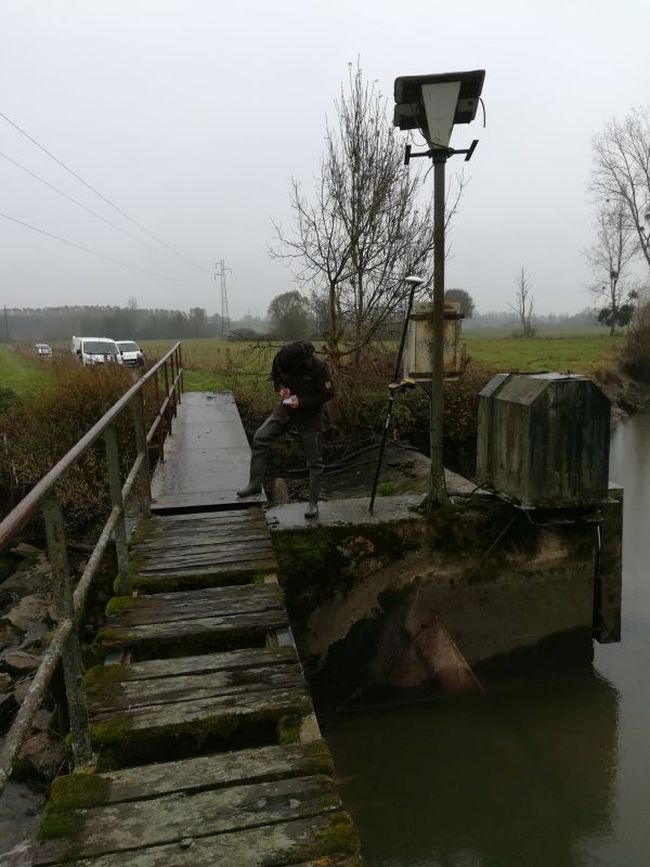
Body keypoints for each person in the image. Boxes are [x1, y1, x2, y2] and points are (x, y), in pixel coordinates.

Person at [237, 340, 333, 518]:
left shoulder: (317, 367)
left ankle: (313, 503)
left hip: (309, 414)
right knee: (260, 437)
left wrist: (302, 402)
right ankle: (254, 483)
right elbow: (276, 379)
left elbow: (327, 393)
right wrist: (281, 390)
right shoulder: (280, 360)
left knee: (314, 460)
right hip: (287, 407)